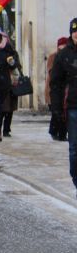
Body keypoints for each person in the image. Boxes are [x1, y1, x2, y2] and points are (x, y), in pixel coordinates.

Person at [49, 17, 77, 197]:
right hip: (73, 106)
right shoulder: (64, 54)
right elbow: (56, 84)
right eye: (75, 31)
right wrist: (57, 109)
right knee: (74, 148)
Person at [46, 36, 69, 141]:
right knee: (56, 113)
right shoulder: (54, 56)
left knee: (62, 113)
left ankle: (60, 133)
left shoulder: (69, 55)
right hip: (54, 88)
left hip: (64, 89)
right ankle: (55, 132)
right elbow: (51, 71)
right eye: (61, 45)